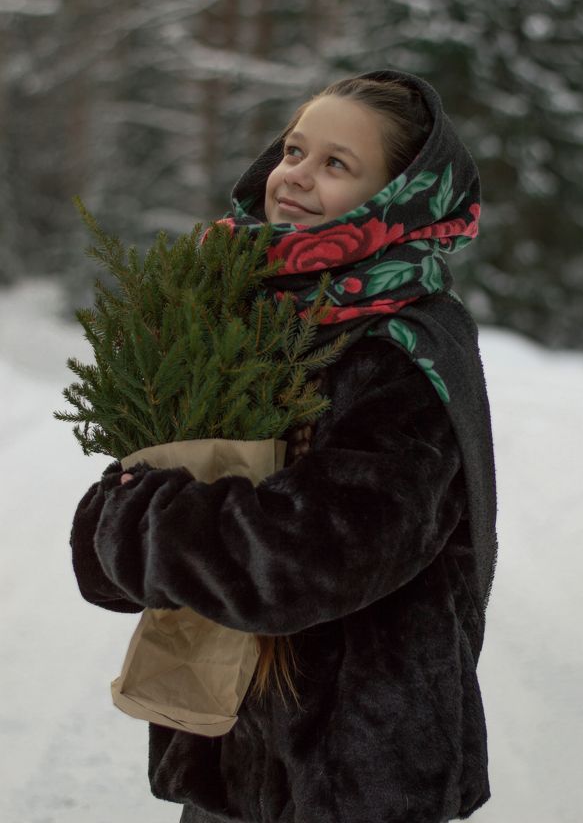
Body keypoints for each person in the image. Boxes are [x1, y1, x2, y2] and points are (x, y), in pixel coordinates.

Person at [70, 68, 498, 823]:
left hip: (354, 770)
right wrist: (127, 526)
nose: (294, 176)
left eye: (337, 164)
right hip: (230, 749)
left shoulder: (406, 349)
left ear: (398, 197)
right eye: (294, 150)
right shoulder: (239, 315)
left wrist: (138, 524)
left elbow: (310, 561)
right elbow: (116, 543)